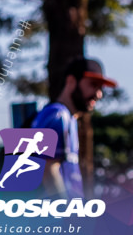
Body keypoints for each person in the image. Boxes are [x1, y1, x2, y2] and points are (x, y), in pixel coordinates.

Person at [31, 57, 117, 199]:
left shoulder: (69, 119)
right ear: (71, 81)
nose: (99, 94)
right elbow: (48, 170)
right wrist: (68, 213)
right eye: (93, 85)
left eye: (100, 88)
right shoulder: (58, 115)